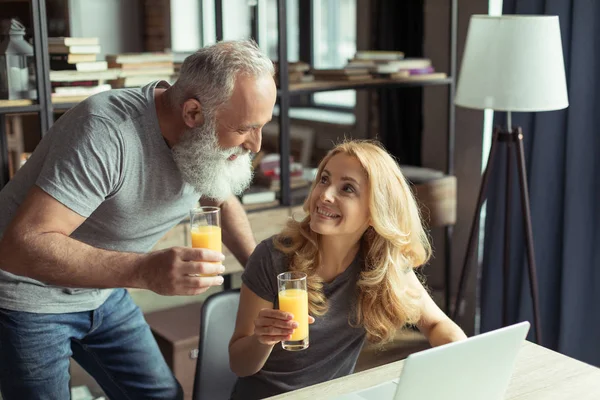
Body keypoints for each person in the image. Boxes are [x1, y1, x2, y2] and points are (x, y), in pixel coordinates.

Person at [0, 39, 276, 400]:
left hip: (103, 291)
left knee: (163, 396)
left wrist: (261, 276)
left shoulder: (201, 137)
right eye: (244, 129)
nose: (255, 145)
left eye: (261, 126)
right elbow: (20, 247)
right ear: (193, 114)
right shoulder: (107, 132)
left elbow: (218, 198)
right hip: (27, 294)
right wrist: (145, 271)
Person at [228, 140, 467, 399]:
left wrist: (465, 364)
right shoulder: (273, 257)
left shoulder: (380, 262)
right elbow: (240, 365)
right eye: (324, 179)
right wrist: (261, 340)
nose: (325, 195)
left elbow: (436, 324)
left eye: (347, 189)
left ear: (375, 210)